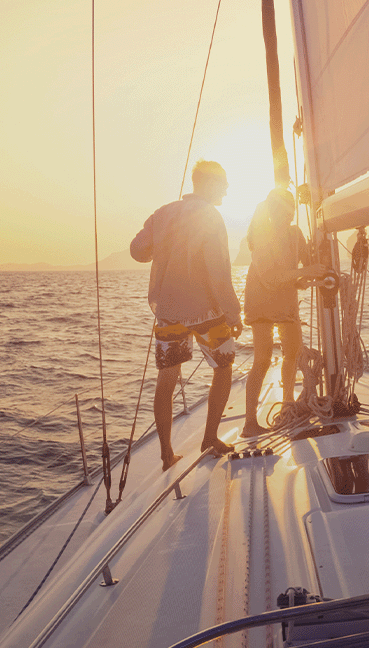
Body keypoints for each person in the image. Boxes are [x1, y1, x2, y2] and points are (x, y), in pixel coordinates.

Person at [130, 160, 243, 470]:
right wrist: (233, 313)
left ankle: (167, 454)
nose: (227, 189)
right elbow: (219, 272)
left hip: (168, 312)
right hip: (207, 312)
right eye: (223, 183)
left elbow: (137, 250)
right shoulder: (210, 216)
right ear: (208, 183)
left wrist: (163, 249)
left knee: (167, 379)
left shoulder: (162, 213)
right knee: (223, 367)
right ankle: (209, 438)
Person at [241, 187, 325, 437]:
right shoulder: (261, 235)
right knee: (262, 359)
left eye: (291, 209)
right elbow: (270, 277)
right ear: (272, 210)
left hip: (286, 299)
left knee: (294, 353)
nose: (288, 214)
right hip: (261, 300)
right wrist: (303, 273)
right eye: (282, 209)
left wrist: (305, 276)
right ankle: (249, 422)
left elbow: (302, 266)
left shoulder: (295, 234)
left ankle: (288, 405)